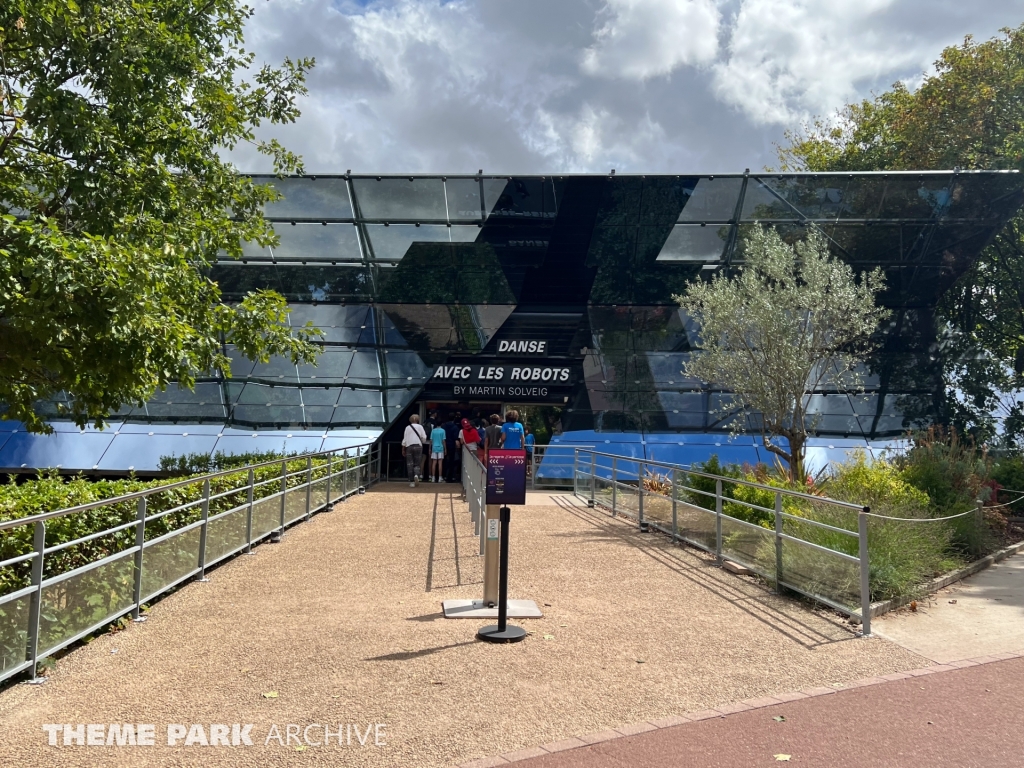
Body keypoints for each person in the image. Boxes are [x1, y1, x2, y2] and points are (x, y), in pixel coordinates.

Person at [401, 415, 426, 487]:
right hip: (418, 446)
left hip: (409, 446)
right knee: (417, 463)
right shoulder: (420, 427)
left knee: (409, 464)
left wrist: (403, 449)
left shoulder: (407, 428)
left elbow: (405, 439)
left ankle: (411, 481)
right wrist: (422, 441)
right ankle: (416, 475)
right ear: (418, 420)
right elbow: (424, 437)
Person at [442, 412, 461, 482]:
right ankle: (450, 477)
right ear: (454, 418)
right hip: (452, 446)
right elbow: (456, 438)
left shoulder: (444, 426)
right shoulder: (455, 427)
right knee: (452, 461)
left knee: (444, 461)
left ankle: (443, 475)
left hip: (444, 445)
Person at [428, 418, 447, 482]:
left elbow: (431, 440)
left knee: (434, 463)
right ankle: (440, 478)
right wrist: (445, 449)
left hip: (434, 447)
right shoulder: (443, 431)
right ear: (441, 424)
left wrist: (429, 448)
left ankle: (433, 477)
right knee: (440, 463)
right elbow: (443, 440)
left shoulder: (433, 431)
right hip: (440, 447)